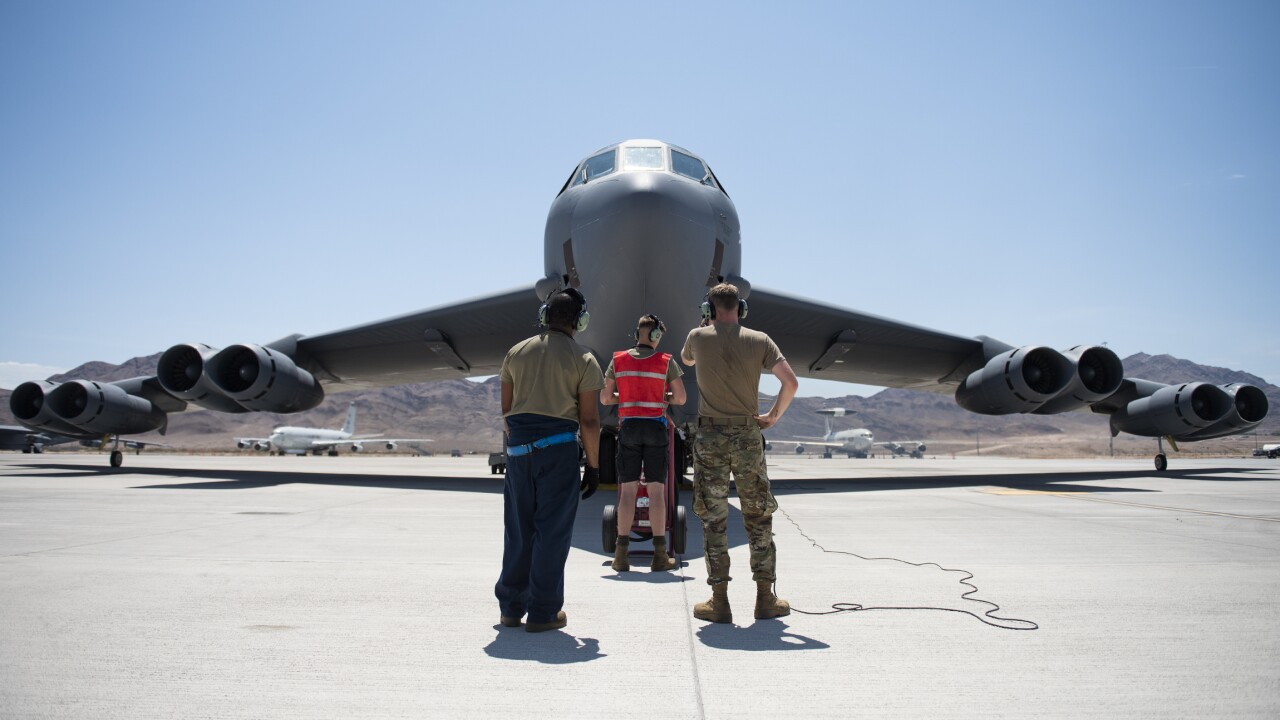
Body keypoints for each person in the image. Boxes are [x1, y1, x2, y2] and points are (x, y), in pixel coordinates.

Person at [680, 283, 798, 624]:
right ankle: (765, 599)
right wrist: (773, 416)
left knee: (714, 519)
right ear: (740, 308)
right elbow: (790, 383)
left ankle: (719, 601)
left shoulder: (697, 338)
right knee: (758, 516)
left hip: (711, 437)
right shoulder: (760, 340)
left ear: (710, 309)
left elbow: (686, 359)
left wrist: (704, 329)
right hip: (748, 435)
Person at [495, 288, 603, 633]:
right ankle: (542, 613)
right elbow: (589, 420)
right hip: (558, 454)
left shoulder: (516, 352)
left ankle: (510, 609)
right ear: (579, 321)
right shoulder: (584, 359)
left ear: (545, 316)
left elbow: (507, 411)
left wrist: (521, 451)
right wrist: (595, 466)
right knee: (551, 534)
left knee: (518, 531)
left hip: (519, 454)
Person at [600, 314, 687, 572]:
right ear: (656, 336)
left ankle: (621, 555)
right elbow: (681, 398)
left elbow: (605, 398)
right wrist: (662, 396)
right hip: (655, 429)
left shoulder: (617, 360)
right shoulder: (666, 362)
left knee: (627, 493)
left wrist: (627, 397)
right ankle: (660, 555)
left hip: (628, 429)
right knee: (656, 492)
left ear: (636, 333)